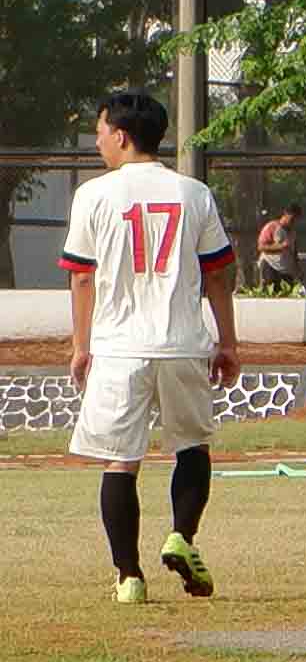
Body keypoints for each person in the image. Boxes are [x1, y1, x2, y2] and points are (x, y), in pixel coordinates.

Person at [60, 88, 231, 606]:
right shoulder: (193, 193)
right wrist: (227, 342)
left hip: (118, 348)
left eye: (99, 132)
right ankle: (181, 534)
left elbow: (82, 278)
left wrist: (81, 345)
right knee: (192, 446)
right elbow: (217, 274)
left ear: (121, 135)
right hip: (181, 343)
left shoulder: (93, 195)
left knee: (119, 462)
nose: (97, 141)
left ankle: (128, 576)